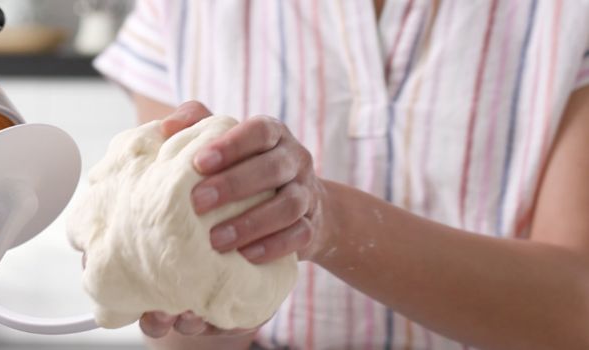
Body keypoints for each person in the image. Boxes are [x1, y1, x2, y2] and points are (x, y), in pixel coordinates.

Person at [90, 0, 589, 349]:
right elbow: (184, 337)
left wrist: (328, 222)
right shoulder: (182, 10)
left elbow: (575, 314)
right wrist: (174, 278)